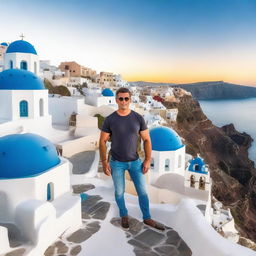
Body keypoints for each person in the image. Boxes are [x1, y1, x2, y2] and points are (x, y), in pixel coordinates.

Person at [99, 87, 165, 230]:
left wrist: (147, 159)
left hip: (135, 162)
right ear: (116, 100)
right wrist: (104, 162)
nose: (123, 101)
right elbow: (102, 141)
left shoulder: (138, 118)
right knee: (119, 192)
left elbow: (147, 140)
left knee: (143, 192)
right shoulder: (110, 120)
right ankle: (124, 215)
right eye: (121, 98)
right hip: (116, 163)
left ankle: (147, 218)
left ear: (130, 100)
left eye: (126, 98)